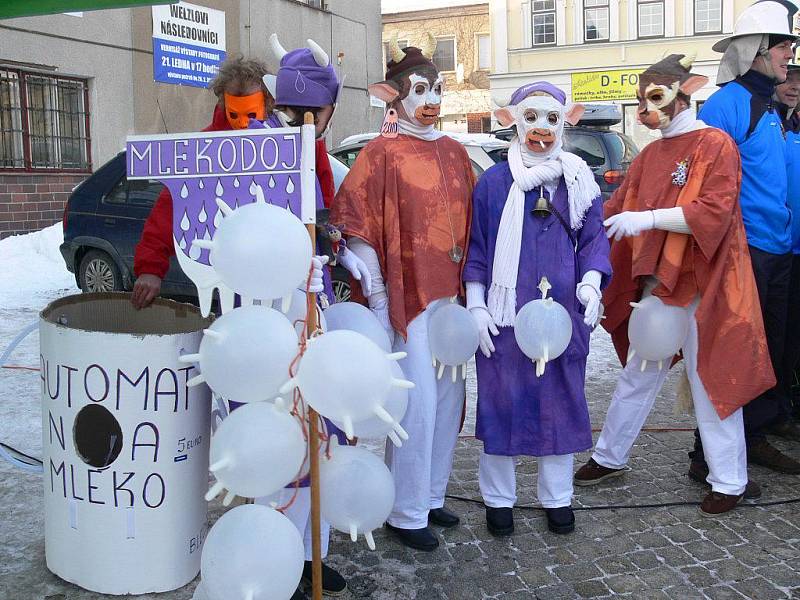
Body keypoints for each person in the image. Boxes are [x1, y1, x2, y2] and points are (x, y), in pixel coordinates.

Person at [573, 54, 773, 516]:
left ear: (687, 92)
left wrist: (646, 218)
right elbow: (615, 207)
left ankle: (729, 480)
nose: (646, 110)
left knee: (711, 376)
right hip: (660, 283)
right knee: (638, 373)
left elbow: (715, 211)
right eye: (640, 100)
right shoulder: (647, 156)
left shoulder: (716, 144)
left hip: (710, 282)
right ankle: (609, 456)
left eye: (656, 98)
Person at [330, 35, 474, 551]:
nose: (431, 100)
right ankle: (406, 512)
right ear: (394, 96)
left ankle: (432, 495)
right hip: (408, 295)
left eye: (437, 88)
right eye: (419, 90)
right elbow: (355, 222)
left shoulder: (457, 153)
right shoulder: (380, 153)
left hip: (451, 296)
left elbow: (473, 221)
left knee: (451, 396)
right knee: (417, 402)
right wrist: (375, 288)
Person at [463, 81, 610, 536]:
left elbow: (593, 238)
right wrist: (475, 302)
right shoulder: (493, 182)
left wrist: (590, 281)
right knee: (501, 401)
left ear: (566, 122)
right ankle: (499, 500)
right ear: (512, 121)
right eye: (531, 118)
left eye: (551, 119)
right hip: (505, 317)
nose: (541, 130)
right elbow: (479, 245)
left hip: (562, 314)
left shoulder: (578, 178)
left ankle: (557, 497)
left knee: (560, 399)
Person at [131, 55, 355, 309]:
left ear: (269, 101)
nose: (243, 123)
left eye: (251, 112)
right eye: (233, 113)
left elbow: (322, 199)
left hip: (299, 264)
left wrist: (332, 242)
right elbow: (173, 203)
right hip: (239, 269)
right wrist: (150, 267)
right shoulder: (206, 148)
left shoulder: (298, 138)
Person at [691, 0, 800, 474]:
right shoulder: (727, 103)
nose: (788, 55)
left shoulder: (769, 107)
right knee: (738, 347)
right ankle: (710, 453)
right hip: (744, 250)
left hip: (776, 248)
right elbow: (701, 180)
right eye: (782, 46)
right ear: (756, 51)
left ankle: (755, 430)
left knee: (769, 347)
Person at [772, 64, 800, 440]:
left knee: (792, 336)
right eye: (789, 78)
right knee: (777, 335)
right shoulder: (766, 122)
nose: (794, 86)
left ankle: (785, 405)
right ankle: (774, 409)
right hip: (778, 248)